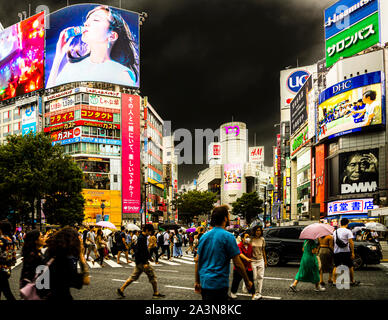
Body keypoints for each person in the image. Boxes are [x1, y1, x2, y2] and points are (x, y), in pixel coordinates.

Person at [46, 5, 139, 88]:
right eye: (87, 20)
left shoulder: (121, 74)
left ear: (112, 36)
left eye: (96, 20)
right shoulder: (71, 67)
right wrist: (58, 57)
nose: (86, 24)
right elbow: (50, 99)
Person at [195, 205, 253, 301]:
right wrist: (247, 281)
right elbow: (238, 263)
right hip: (219, 283)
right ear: (225, 218)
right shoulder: (228, 237)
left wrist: (197, 281)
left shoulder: (204, 236)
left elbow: (197, 260)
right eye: (228, 215)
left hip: (205, 282)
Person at [117, 224, 165, 299]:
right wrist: (145, 262)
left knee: (133, 277)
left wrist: (149, 257)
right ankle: (155, 293)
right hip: (143, 262)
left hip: (139, 262)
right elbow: (142, 251)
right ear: (146, 230)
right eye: (150, 231)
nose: (150, 233)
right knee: (153, 277)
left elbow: (143, 250)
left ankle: (121, 289)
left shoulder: (142, 237)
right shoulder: (142, 238)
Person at [44, 227, 90, 300]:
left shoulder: (49, 252)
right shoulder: (66, 260)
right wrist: (81, 255)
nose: (80, 240)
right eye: (78, 239)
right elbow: (86, 280)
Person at [332, 218, 360, 287]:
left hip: (336, 251)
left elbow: (333, 242)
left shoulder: (335, 232)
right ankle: (352, 281)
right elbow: (351, 243)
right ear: (347, 223)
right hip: (345, 251)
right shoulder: (348, 231)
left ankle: (334, 281)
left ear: (340, 223)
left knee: (336, 266)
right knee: (350, 266)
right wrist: (352, 252)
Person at [19, 230, 46, 295]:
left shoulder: (35, 253)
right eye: (41, 237)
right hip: (36, 291)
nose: (44, 238)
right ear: (36, 241)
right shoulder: (33, 256)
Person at [230, 233, 256, 300]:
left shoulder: (250, 246)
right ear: (242, 238)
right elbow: (239, 253)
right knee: (236, 280)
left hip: (248, 267)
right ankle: (233, 292)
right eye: (246, 237)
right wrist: (246, 259)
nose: (248, 238)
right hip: (239, 267)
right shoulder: (239, 245)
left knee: (251, 280)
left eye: (249, 237)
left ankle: (253, 294)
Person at [0, 220, 16, 300]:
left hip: (1, 269)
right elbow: (14, 256)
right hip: (7, 269)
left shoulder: (1, 240)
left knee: (7, 293)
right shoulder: (11, 239)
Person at [250, 225, 267, 300]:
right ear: (254, 231)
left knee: (260, 276)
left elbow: (263, 250)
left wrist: (265, 261)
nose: (258, 232)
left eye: (259, 230)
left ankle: (258, 292)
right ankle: (249, 286)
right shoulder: (251, 239)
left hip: (260, 260)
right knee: (254, 277)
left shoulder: (262, 239)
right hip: (252, 260)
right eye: (257, 230)